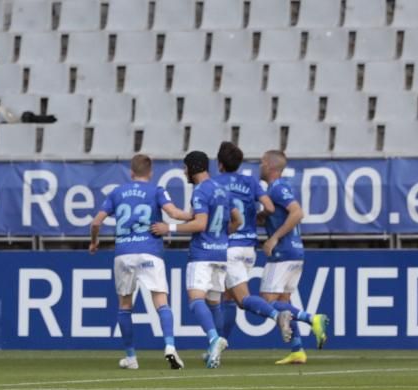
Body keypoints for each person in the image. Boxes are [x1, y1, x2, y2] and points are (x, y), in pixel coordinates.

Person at [88, 154, 190, 370]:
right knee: (161, 302)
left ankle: (131, 357)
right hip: (149, 251)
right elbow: (173, 213)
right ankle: (170, 347)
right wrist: (194, 216)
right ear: (150, 172)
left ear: (131, 172)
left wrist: (94, 242)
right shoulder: (156, 191)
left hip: (124, 253)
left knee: (125, 305)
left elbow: (96, 222)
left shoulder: (117, 192)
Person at [158, 151, 240, 369]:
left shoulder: (200, 190)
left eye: (185, 167)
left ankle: (214, 339)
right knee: (214, 304)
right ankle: (216, 348)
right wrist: (222, 236)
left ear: (193, 168)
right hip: (221, 253)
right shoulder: (222, 189)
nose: (184, 172)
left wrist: (170, 228)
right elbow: (237, 219)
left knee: (195, 300)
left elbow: (200, 224)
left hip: (202, 253)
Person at [208, 141, 293, 346]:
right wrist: (256, 216)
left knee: (242, 299)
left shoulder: (215, 183)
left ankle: (276, 315)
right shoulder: (251, 182)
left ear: (220, 164)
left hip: (230, 247)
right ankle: (220, 346)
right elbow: (271, 208)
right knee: (228, 298)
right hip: (248, 248)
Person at [258, 149, 329, 365]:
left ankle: (312, 318)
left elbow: (297, 213)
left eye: (261, 162)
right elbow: (282, 214)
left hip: (283, 253)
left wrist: (274, 239)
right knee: (284, 302)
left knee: (266, 301)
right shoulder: (279, 188)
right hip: (295, 251)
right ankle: (297, 349)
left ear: (270, 166)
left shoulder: (278, 187)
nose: (259, 166)